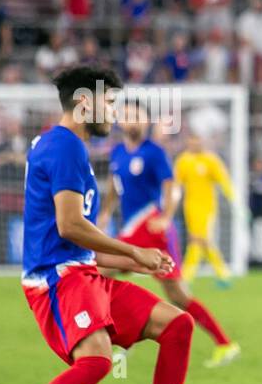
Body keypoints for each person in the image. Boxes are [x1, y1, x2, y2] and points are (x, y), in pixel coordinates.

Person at [0, 64, 199, 384]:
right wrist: (134, 249)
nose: (115, 113)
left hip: (82, 273)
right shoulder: (63, 147)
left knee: (177, 326)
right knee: (97, 362)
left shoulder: (67, 146)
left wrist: (135, 262)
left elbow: (78, 243)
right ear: (85, 103)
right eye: (111, 102)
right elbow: (69, 226)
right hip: (56, 282)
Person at [99, 102, 240, 368]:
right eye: (127, 116)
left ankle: (224, 343)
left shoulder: (154, 153)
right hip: (131, 231)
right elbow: (114, 187)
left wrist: (165, 217)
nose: (132, 121)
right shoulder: (117, 153)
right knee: (101, 273)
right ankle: (118, 338)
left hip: (154, 231)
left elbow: (172, 188)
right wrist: (106, 212)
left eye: (137, 116)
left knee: (178, 296)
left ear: (146, 121)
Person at [174, 132, 236, 284]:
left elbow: (224, 181)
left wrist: (234, 201)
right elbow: (176, 184)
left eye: (198, 139)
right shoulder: (183, 161)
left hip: (207, 207)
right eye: (192, 139)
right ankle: (222, 272)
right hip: (190, 207)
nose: (195, 143)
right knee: (201, 240)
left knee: (197, 240)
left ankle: (186, 276)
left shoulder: (211, 160)